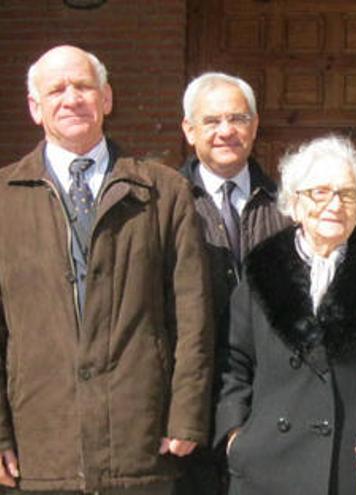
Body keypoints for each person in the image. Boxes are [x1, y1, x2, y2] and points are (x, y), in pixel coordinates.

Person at [0, 45, 212, 493]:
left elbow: (192, 316)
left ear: (107, 99)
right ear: (35, 108)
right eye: (56, 89)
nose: (71, 98)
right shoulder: (4, 198)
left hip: (141, 440)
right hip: (41, 444)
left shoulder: (164, 192)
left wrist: (187, 413)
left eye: (83, 87)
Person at [214, 135, 356, 494]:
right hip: (268, 466)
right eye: (320, 192)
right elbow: (233, 360)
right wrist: (236, 435)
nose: (335, 204)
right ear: (295, 202)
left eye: (348, 194)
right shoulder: (262, 270)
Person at [176, 72, 290, 494]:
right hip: (191, 402)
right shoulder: (166, 204)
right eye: (212, 121)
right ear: (189, 130)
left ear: (255, 126)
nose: (226, 131)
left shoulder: (289, 205)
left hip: (269, 401)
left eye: (238, 118)